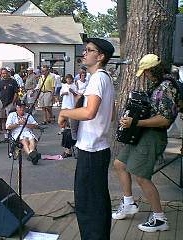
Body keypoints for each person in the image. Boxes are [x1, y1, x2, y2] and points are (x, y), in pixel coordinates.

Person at [113, 54, 178, 232]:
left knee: (142, 177)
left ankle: (160, 219)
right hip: (142, 133)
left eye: (146, 72)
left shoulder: (166, 87)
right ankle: (129, 204)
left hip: (152, 136)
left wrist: (135, 122)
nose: (145, 76)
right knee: (120, 164)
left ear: (153, 69)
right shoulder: (158, 84)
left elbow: (165, 120)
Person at [58, 38, 115, 240]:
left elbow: (90, 112)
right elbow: (111, 114)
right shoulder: (104, 78)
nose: (84, 53)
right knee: (97, 201)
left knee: (87, 204)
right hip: (98, 149)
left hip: (91, 151)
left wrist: (65, 112)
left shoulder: (98, 78)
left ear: (100, 57)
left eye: (89, 50)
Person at [60, 74, 78, 158]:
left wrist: (72, 92)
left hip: (71, 105)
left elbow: (76, 95)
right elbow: (61, 94)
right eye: (67, 79)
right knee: (63, 122)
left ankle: (68, 151)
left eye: (70, 79)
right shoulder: (64, 85)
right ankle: (63, 128)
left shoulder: (74, 85)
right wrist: (65, 93)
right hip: (65, 104)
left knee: (70, 126)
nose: (69, 80)